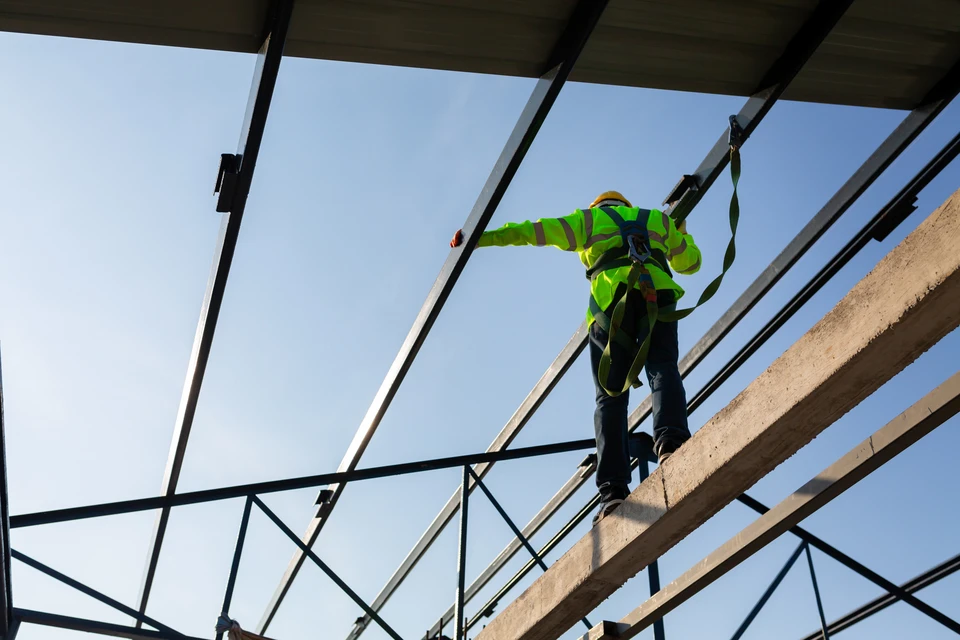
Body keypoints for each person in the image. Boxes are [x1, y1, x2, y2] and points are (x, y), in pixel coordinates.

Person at [450, 190, 702, 525]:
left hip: (610, 306)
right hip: (655, 295)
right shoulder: (657, 221)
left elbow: (531, 231)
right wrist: (681, 231)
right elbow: (692, 263)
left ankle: (613, 490)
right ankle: (671, 441)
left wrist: (479, 238)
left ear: (599, 206)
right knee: (662, 368)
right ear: (627, 206)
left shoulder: (587, 220)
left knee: (609, 399)